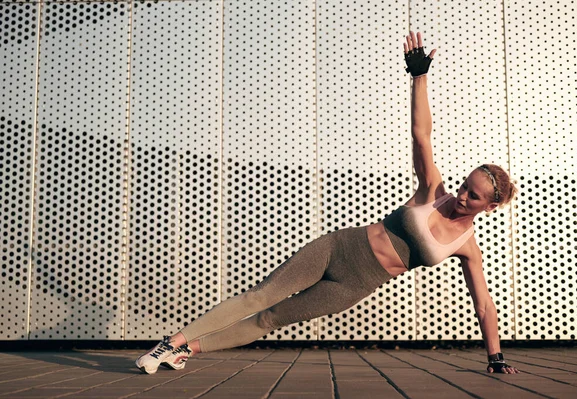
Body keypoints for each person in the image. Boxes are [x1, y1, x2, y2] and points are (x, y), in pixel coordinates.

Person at [136, 32, 519, 375]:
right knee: (261, 295)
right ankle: (172, 341)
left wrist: (495, 356)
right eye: (466, 184)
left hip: (355, 284)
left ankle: (186, 351)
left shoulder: (465, 247)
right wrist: (419, 78)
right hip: (338, 248)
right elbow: (422, 135)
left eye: (473, 196)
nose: (462, 194)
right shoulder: (433, 193)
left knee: (270, 319)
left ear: (488, 207)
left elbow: (484, 305)